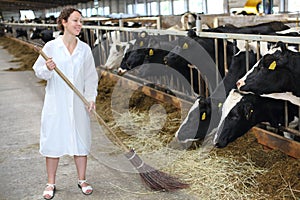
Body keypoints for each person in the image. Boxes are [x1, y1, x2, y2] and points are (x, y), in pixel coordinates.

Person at [32, 7, 98, 200]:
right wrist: (47, 67)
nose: (79, 25)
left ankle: (82, 180)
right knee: (53, 140)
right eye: (75, 20)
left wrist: (90, 98)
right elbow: (38, 71)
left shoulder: (84, 49)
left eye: (81, 21)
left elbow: (90, 77)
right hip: (57, 102)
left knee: (81, 139)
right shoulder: (51, 47)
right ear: (64, 22)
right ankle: (50, 183)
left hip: (78, 102)